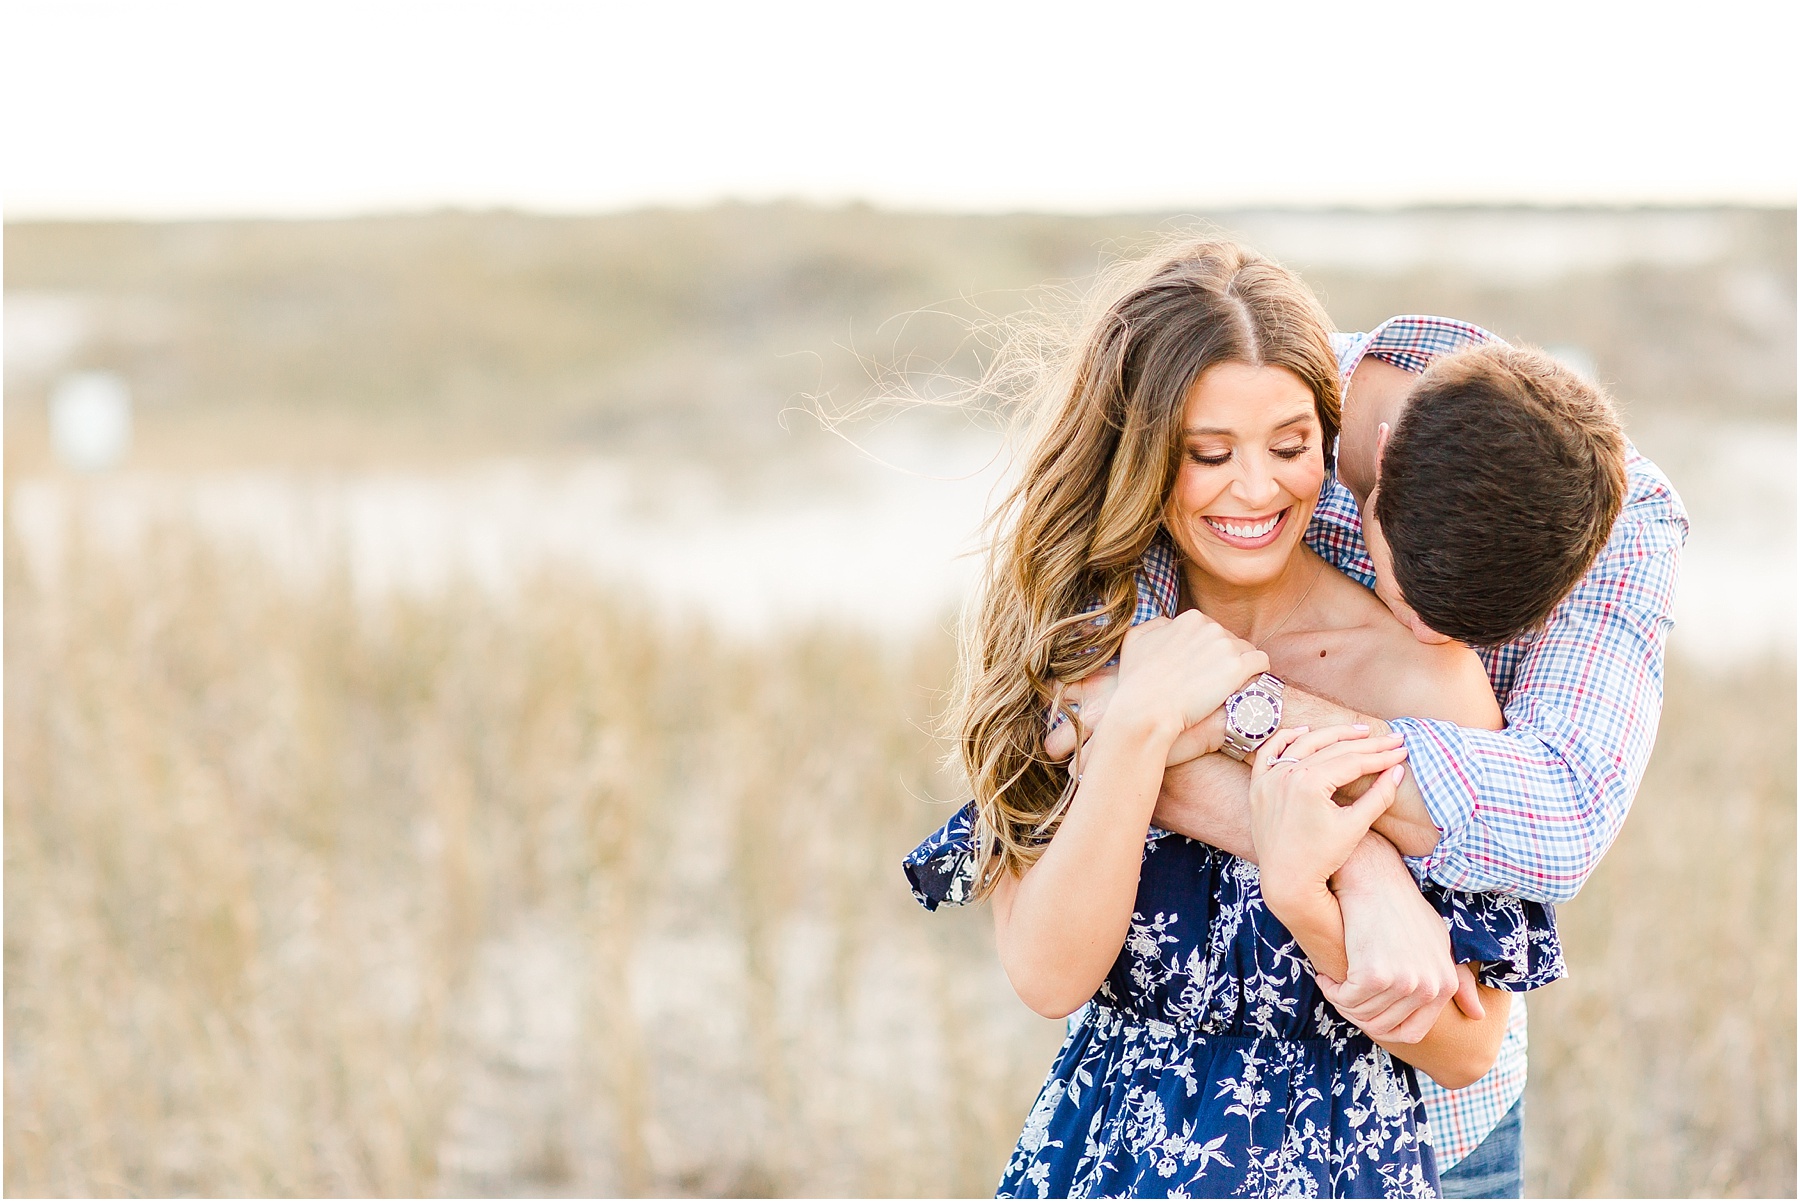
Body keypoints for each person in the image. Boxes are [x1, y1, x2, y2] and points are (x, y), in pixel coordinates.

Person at [903, 239, 1566, 1197]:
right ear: (1138, 453)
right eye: (1208, 455)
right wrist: (1137, 727)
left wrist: (1315, 895)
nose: (1257, 491)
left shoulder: (1425, 677)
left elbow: (1468, 1051)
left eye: (1292, 448)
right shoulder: (1083, 642)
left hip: (1341, 1166)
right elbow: (1049, 978)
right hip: (1108, 1156)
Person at [1046, 312, 1687, 1196]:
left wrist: (1216, 716)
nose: (1428, 634)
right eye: (1408, 592)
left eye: (1470, 628)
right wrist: (1368, 871)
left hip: (1431, 1123)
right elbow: (1082, 699)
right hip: (1151, 1109)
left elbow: (1564, 817)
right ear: (1373, 467)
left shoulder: (1625, 520)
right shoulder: (1257, 411)